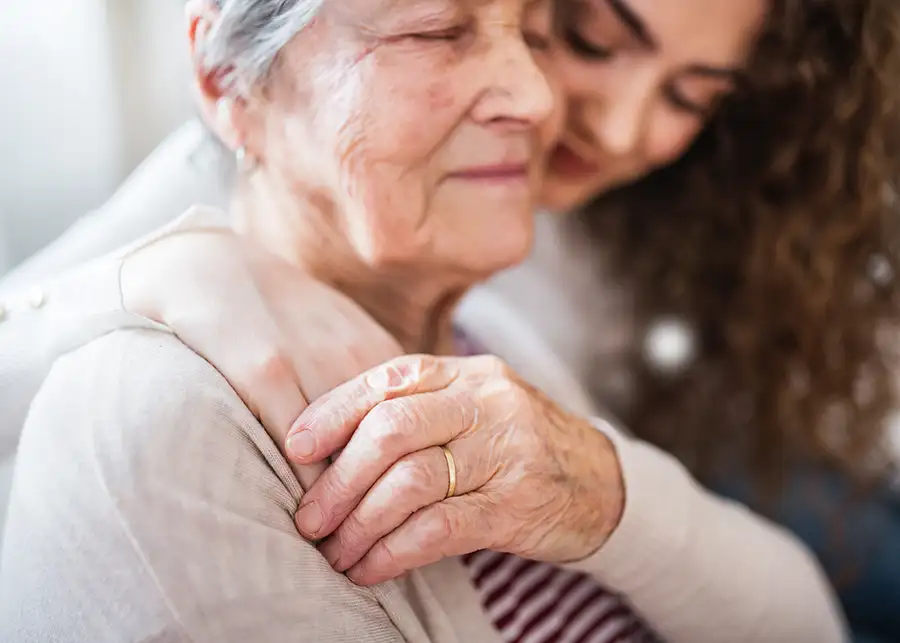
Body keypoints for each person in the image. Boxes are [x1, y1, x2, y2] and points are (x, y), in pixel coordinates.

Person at [1, 0, 884, 640]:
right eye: (591, 39)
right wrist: (166, 267)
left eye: (692, 96)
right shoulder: (170, 379)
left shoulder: (510, 308)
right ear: (224, 85)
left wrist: (602, 486)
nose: (607, 126)